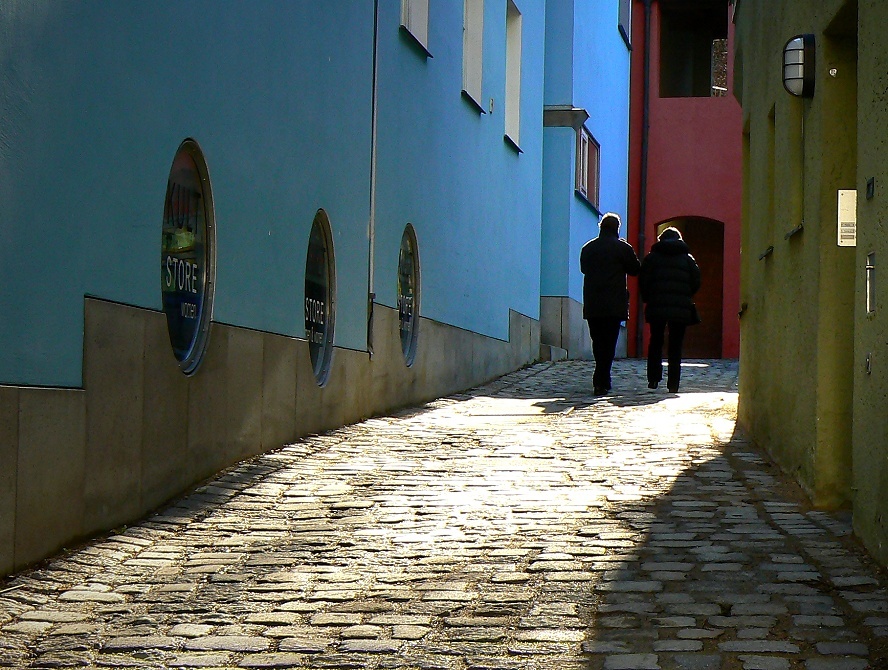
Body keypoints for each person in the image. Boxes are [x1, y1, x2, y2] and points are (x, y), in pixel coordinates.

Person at [580, 212, 641, 396]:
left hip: (593, 303)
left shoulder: (588, 248)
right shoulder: (622, 248)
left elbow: (583, 268)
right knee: (609, 342)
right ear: (617, 228)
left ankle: (600, 378)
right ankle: (602, 379)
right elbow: (635, 269)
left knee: (597, 341)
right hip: (614, 304)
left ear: (601, 227)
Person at [639, 227, 701, 393]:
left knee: (656, 341)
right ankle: (673, 383)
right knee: (676, 344)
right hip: (680, 307)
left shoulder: (651, 258)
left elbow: (643, 280)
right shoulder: (687, 259)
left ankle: (653, 378)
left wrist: (648, 298)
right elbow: (696, 280)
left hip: (657, 305)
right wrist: (685, 294)